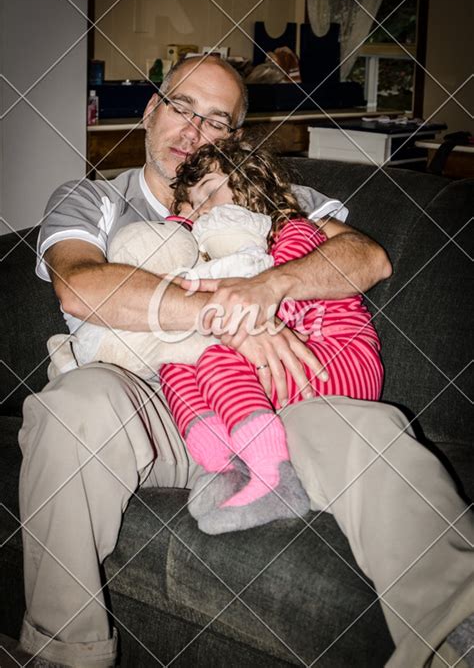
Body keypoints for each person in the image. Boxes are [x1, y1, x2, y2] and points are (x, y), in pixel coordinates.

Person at [18, 55, 473, 668]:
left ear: (234, 137)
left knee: (368, 425)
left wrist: (265, 292)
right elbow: (79, 285)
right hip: (147, 401)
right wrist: (221, 317)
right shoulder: (93, 198)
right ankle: (64, 651)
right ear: (152, 111)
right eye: (181, 107)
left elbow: (366, 259)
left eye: (216, 120)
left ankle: (457, 636)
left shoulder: (268, 191)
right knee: (70, 408)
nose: (194, 131)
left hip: (272, 397)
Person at [160, 135, 383, 535]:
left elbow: (279, 312)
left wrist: (206, 287)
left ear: (250, 187)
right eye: (190, 206)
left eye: (210, 194)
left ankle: (274, 476)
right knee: (176, 360)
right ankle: (227, 466)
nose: (201, 212)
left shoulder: (291, 233)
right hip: (292, 368)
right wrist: (177, 237)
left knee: (214, 357)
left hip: (337, 363)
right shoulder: (219, 251)